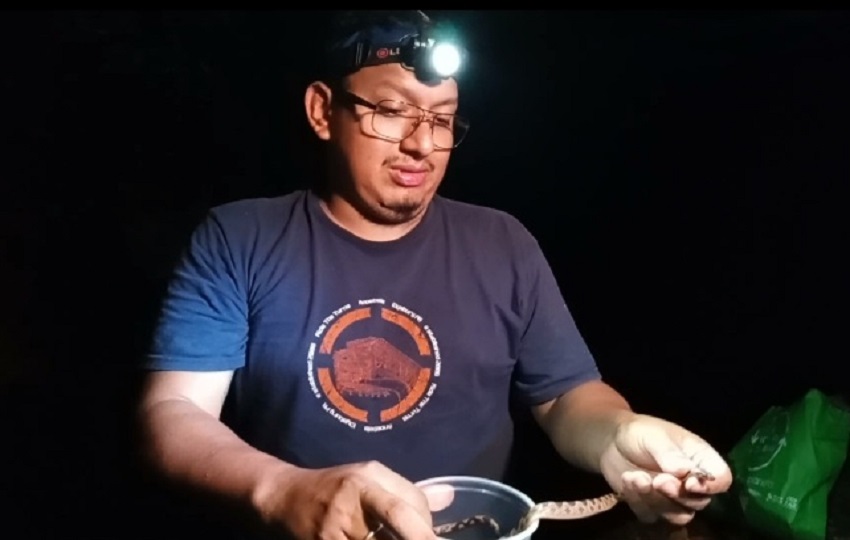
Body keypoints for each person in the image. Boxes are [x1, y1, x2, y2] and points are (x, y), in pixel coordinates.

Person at [135, 9, 733, 540]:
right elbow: (175, 414)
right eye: (391, 111)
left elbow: (566, 398)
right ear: (323, 110)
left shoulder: (503, 243)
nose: (421, 143)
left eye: (442, 119)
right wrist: (280, 489)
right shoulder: (240, 238)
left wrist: (619, 437)